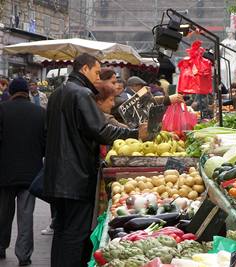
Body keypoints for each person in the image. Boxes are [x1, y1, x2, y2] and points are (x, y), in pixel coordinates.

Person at [43, 53, 147, 267]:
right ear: (85, 69)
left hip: (56, 175)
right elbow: (100, 130)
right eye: (97, 72)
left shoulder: (56, 94)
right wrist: (135, 134)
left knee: (62, 231)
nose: (98, 77)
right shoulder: (81, 93)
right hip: (76, 176)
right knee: (75, 233)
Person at [0, 78, 46, 266]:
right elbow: (46, 144)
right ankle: (24, 255)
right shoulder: (40, 112)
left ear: (11, 92)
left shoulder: (2, 109)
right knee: (26, 216)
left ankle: (1, 246)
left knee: (3, 213)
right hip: (31, 173)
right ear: (28, 92)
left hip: (4, 173)